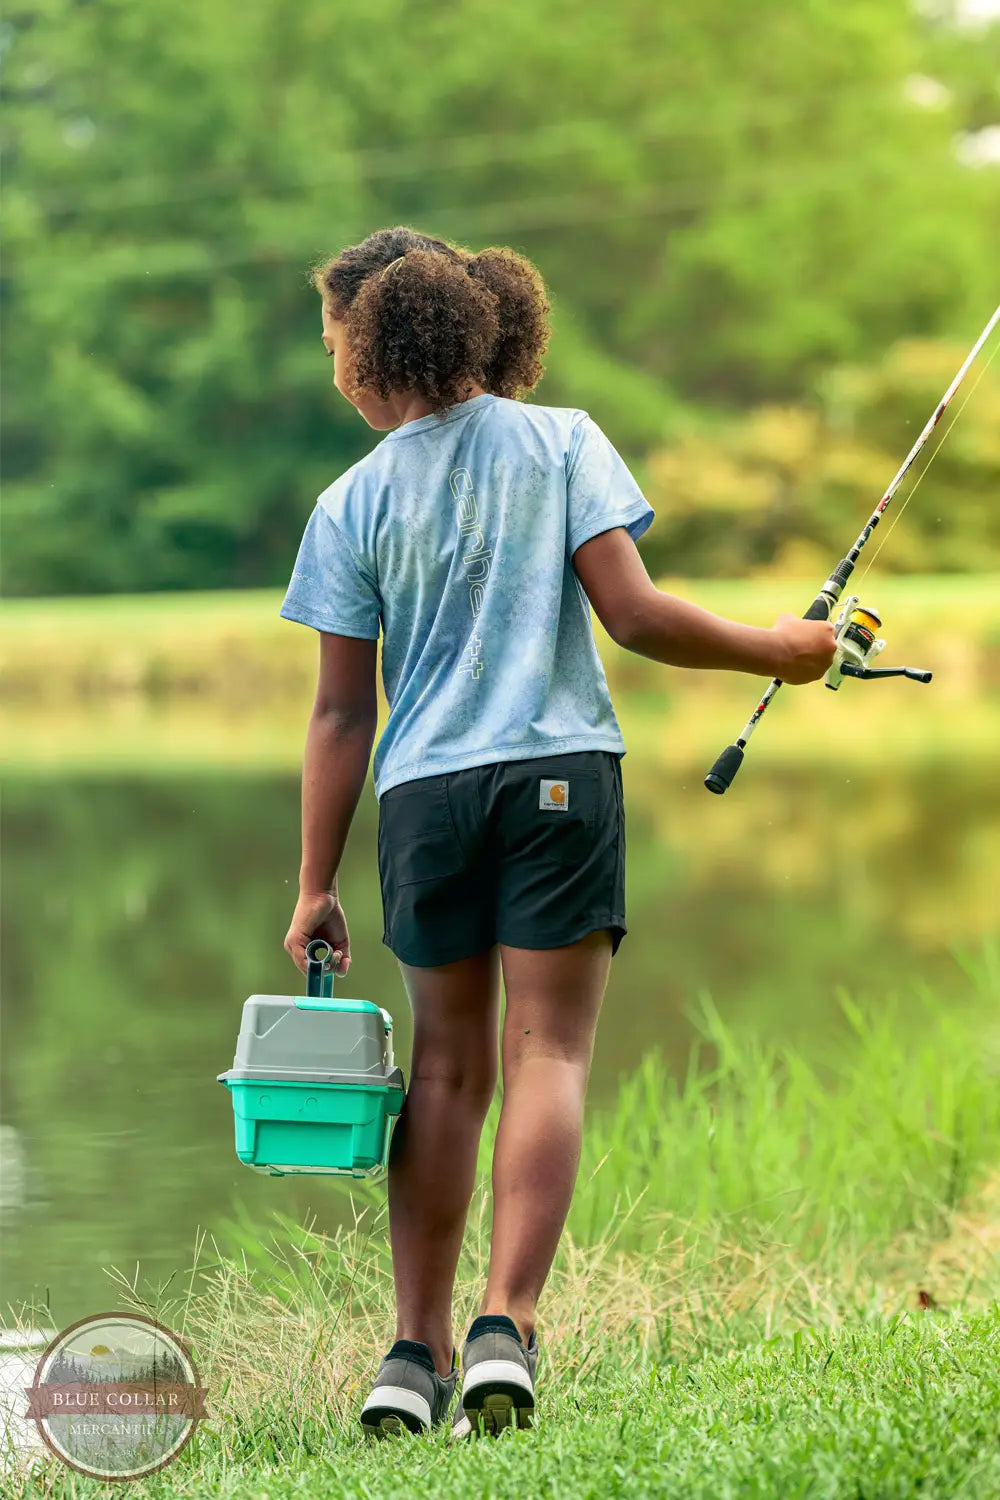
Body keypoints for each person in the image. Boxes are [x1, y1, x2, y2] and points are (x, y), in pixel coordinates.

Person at [280, 226, 836, 1439]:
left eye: (333, 341)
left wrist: (314, 881)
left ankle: (408, 1357)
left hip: (425, 801)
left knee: (445, 1068)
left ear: (378, 340)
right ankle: (504, 1330)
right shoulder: (563, 440)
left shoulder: (348, 501)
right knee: (550, 1059)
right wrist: (779, 652)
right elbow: (632, 618)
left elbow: (338, 714)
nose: (331, 366)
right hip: (557, 783)